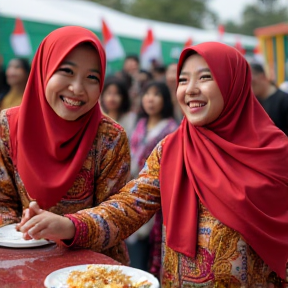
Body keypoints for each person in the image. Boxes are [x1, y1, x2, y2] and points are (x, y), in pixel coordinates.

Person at [20, 42, 288, 287]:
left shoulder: (276, 154)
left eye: (205, 77)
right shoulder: (172, 149)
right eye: (183, 80)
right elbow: (130, 205)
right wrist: (69, 225)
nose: (190, 89)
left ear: (235, 83)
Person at [0, 26, 131, 265]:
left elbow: (119, 213)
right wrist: (22, 228)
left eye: (92, 78)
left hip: (91, 271)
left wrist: (70, 227)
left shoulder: (110, 137)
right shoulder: (7, 127)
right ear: (44, 68)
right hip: (21, 262)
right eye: (67, 71)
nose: (77, 89)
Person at [127, 80, 178, 273]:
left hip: (158, 196)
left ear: (165, 100)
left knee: (150, 248)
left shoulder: (172, 128)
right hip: (135, 189)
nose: (150, 99)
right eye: (147, 94)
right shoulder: (140, 124)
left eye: (156, 95)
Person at [250, 62, 288, 135]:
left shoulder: (284, 100)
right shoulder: (253, 102)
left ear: (262, 76)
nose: (250, 85)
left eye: (252, 81)